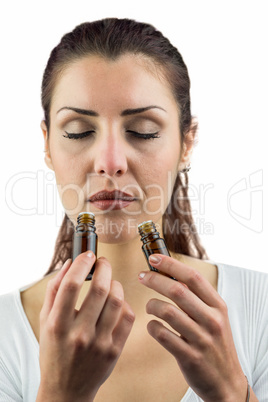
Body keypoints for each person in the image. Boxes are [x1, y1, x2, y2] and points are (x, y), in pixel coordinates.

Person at [0, 18, 267, 402]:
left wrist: (230, 391)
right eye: (78, 131)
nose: (110, 162)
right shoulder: (7, 332)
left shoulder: (262, 310)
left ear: (187, 142)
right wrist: (60, 392)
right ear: (47, 144)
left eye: (142, 130)